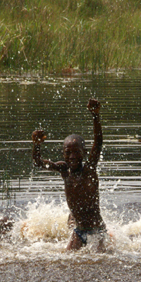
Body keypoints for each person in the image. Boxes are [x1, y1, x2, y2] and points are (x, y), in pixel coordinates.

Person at [32, 98, 107, 251]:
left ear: (84, 153)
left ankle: (107, 236)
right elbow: (39, 163)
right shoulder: (64, 170)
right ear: (63, 154)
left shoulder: (89, 170)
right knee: (67, 258)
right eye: (68, 153)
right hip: (79, 231)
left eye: (76, 153)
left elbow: (98, 143)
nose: (72, 156)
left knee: (101, 258)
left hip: (97, 229)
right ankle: (71, 221)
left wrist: (95, 116)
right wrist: (36, 146)